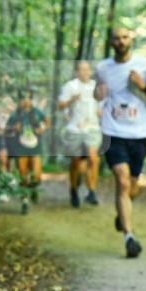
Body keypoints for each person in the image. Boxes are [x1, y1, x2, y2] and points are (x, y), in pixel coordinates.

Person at [95, 27, 146, 258]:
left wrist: (142, 86)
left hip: (139, 134)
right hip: (112, 132)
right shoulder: (102, 68)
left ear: (131, 40)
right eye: (116, 38)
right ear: (111, 41)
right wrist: (98, 94)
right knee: (122, 182)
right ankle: (129, 237)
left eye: (125, 37)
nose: (121, 41)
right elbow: (97, 96)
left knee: (132, 188)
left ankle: (122, 212)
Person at [58, 60, 102, 207]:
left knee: (93, 158)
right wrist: (72, 99)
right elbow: (60, 105)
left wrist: (101, 112)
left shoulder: (96, 86)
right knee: (76, 162)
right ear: (77, 72)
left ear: (90, 71)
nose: (84, 72)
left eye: (87, 69)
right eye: (81, 70)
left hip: (92, 128)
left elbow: (103, 104)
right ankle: (74, 189)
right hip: (74, 129)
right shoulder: (70, 86)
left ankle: (92, 192)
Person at [5, 89, 48, 214]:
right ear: (19, 101)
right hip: (20, 147)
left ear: (32, 99)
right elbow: (6, 130)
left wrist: (42, 129)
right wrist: (14, 128)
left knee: (37, 176)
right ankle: (25, 201)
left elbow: (46, 121)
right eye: (23, 99)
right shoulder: (15, 115)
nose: (26, 101)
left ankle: (33, 188)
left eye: (28, 98)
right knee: (23, 175)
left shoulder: (37, 112)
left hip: (35, 147)